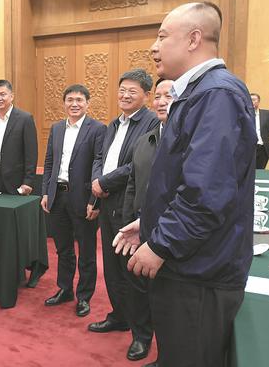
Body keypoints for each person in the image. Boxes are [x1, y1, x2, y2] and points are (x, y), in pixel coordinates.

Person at [114, 1, 256, 367]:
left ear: (194, 39)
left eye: (162, 35)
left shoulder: (216, 94)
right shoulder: (198, 92)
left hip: (200, 276)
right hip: (191, 265)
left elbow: (205, 195)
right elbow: (182, 179)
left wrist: (159, 244)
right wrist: (147, 223)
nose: (154, 46)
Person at [88, 68, 159, 362]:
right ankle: (119, 316)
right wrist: (96, 187)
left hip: (130, 207)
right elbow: (100, 159)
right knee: (113, 269)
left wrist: (104, 182)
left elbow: (137, 166)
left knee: (133, 272)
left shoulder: (151, 123)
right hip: (106, 203)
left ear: (146, 95)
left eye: (132, 91)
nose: (125, 95)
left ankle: (142, 335)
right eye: (122, 90)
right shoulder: (113, 124)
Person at [117, 79, 173, 367]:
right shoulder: (145, 140)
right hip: (138, 229)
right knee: (137, 288)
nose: (162, 102)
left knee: (167, 298)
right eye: (159, 96)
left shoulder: (189, 139)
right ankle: (140, 337)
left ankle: (167, 353)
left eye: (169, 96)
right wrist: (130, 220)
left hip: (172, 235)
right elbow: (132, 184)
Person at [41, 84, 106, 317]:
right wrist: (46, 192)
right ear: (64, 103)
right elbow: (49, 162)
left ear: (87, 103)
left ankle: (84, 296)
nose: (74, 104)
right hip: (57, 196)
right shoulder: (57, 128)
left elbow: (100, 165)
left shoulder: (98, 129)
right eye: (70, 100)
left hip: (83, 198)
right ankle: (65, 289)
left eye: (79, 99)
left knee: (87, 251)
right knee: (63, 249)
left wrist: (94, 200)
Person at [0, 79, 38, 194]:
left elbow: (31, 154)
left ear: (11, 96)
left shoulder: (25, 119)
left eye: (3, 94)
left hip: (15, 179)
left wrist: (28, 181)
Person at [250, 93, 269, 169]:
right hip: (249, 148)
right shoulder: (244, 115)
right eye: (250, 100)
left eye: (254, 100)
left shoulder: (268, 114)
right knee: (249, 172)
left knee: (260, 170)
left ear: (258, 101)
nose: (252, 102)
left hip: (263, 148)